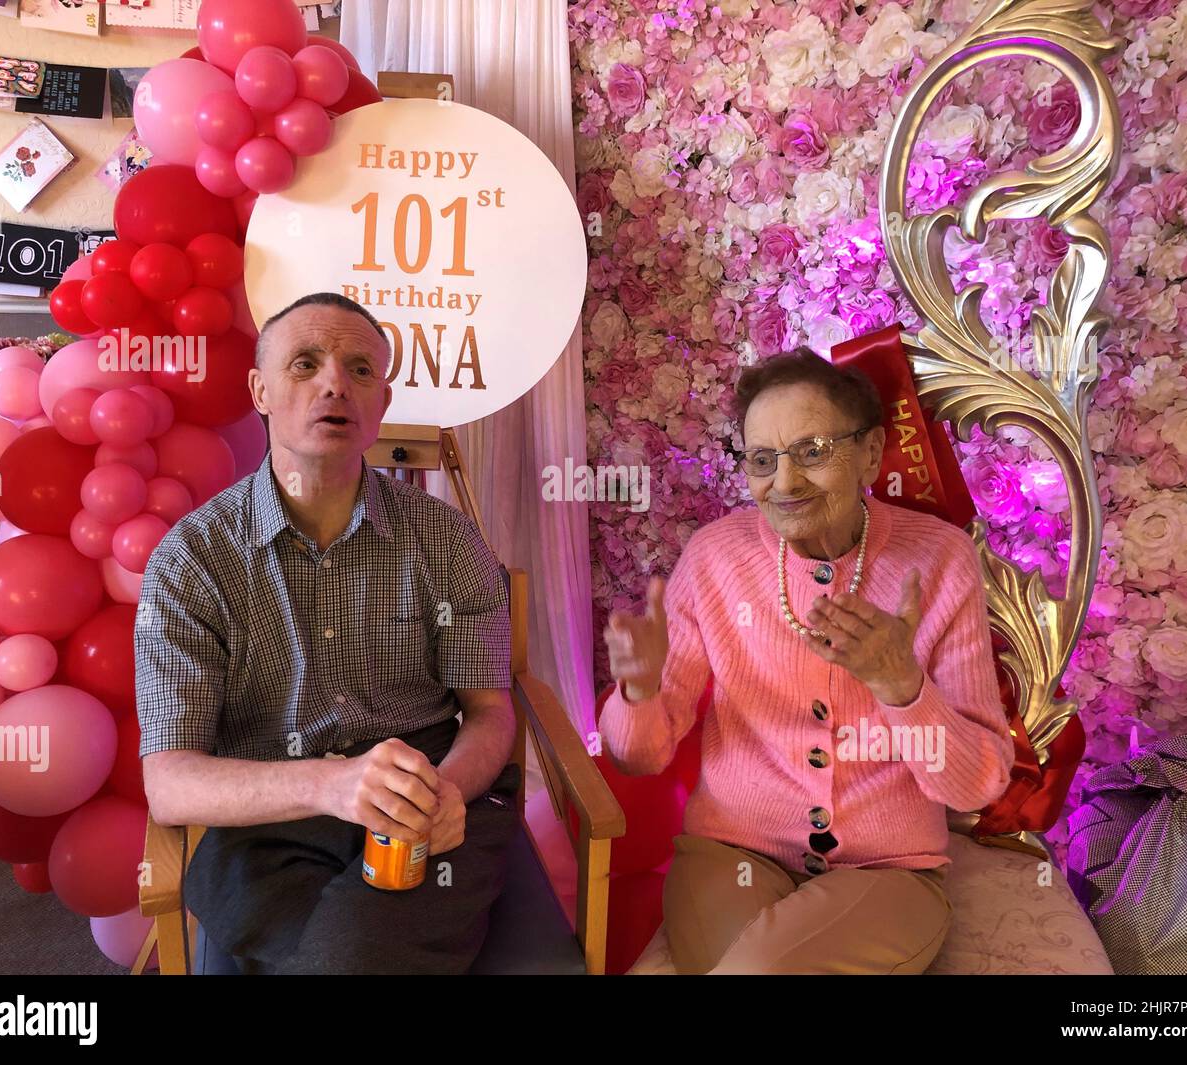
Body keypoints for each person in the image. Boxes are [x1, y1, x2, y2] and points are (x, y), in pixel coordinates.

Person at [135, 291, 519, 974]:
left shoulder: (449, 539)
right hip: (271, 821)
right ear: (260, 389)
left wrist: (449, 790)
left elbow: (489, 711)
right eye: (305, 363)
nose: (334, 383)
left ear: (382, 399)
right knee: (347, 956)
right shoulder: (191, 560)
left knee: (348, 954)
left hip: (431, 800)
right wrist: (331, 784)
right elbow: (170, 780)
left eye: (360, 369)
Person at [600, 348, 1015, 975]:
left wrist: (900, 685)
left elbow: (977, 785)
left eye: (813, 451)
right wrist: (640, 692)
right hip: (731, 855)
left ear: (872, 454)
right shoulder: (716, 558)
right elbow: (639, 757)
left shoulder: (940, 560)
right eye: (763, 460)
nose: (785, 483)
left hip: (887, 870)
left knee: (755, 970)